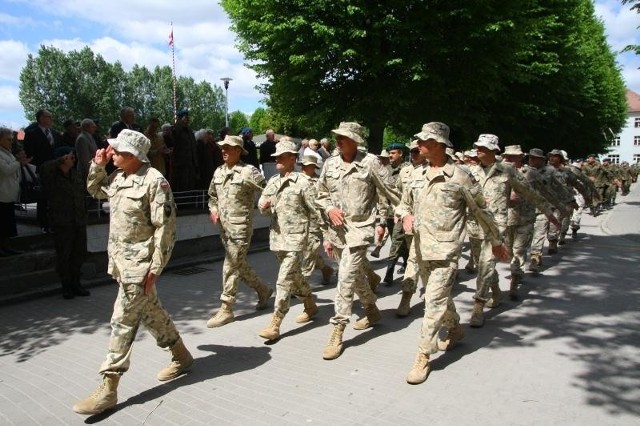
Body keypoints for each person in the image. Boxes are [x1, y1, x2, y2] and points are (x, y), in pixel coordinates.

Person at [74, 130, 193, 415]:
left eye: (115, 150)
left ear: (132, 155)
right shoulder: (119, 177)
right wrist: (98, 165)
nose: (110, 151)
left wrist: (155, 267)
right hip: (121, 262)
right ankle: (181, 355)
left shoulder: (155, 182)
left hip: (140, 267)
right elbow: (94, 189)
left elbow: (166, 229)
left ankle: (109, 385)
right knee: (151, 313)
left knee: (122, 320)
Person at [395, 122, 507, 385]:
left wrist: (497, 240)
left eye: (424, 141)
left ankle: (423, 356)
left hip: (446, 251)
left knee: (432, 301)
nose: (418, 145)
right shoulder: (416, 175)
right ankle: (455, 328)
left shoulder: (461, 177)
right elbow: (402, 206)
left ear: (438, 144)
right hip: (421, 249)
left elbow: (482, 211)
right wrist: (406, 215)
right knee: (440, 297)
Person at [315, 122, 400, 360]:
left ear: (354, 140)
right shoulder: (330, 163)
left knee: (345, 278)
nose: (338, 141)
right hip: (337, 230)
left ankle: (337, 328)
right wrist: (329, 207)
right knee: (355, 275)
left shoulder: (371, 162)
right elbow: (320, 194)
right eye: (337, 137)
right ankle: (372, 310)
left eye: (343, 138)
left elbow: (392, 193)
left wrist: (401, 215)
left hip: (360, 228)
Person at [466, 135, 558, 327]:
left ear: (494, 150)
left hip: (497, 227)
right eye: (477, 146)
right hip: (474, 226)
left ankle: (478, 306)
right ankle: (496, 291)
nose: (478, 149)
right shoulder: (471, 171)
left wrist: (548, 210)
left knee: (486, 264)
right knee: (484, 267)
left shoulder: (506, 171)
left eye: (483, 147)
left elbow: (527, 192)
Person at [206, 135, 272, 328]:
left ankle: (226, 308)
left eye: (228, 147)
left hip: (241, 228)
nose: (224, 151)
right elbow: (212, 196)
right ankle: (262, 289)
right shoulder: (218, 172)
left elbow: (268, 190)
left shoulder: (248, 172)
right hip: (224, 229)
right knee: (239, 265)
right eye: (222, 147)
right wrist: (214, 209)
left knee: (231, 265)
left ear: (238, 151)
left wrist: (266, 205)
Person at [257, 141, 320, 341]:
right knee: (295, 277)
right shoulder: (273, 181)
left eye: (281, 157)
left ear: (293, 159)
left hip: (296, 239)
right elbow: (261, 205)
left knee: (283, 280)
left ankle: (275, 323)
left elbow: (316, 211)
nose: (277, 159)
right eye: (276, 157)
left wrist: (319, 237)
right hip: (277, 238)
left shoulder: (303, 182)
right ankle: (310, 304)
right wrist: (264, 205)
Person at [40, 147, 90, 299]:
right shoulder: (53, 176)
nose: (73, 159)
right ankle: (66, 286)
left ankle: (76, 283)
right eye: (69, 157)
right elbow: (42, 168)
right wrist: (59, 160)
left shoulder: (75, 175)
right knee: (64, 255)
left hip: (78, 220)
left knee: (79, 253)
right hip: (62, 222)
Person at [23, 109, 61, 233]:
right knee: (43, 198)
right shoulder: (32, 133)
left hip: (56, 170)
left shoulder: (55, 133)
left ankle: (55, 222)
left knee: (55, 198)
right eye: (48, 116)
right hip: (41, 170)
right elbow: (30, 154)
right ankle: (44, 224)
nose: (51, 119)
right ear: (41, 118)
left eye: (51, 116)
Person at [299, 155, 334, 286]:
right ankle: (326, 269)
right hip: (299, 222)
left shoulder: (319, 182)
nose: (303, 167)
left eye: (306, 165)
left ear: (314, 167)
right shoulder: (296, 179)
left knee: (309, 252)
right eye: (302, 164)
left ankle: (300, 285)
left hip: (315, 223)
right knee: (305, 251)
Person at [379, 142, 410, 283]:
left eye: (393, 153)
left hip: (402, 213)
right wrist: (383, 219)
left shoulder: (407, 170)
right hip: (390, 213)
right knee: (399, 242)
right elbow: (382, 196)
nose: (390, 156)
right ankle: (407, 263)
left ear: (401, 154)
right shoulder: (385, 170)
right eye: (389, 153)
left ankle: (389, 274)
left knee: (396, 241)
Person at [0, 127, 30, 256]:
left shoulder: (8, 152)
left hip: (9, 193)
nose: (11, 142)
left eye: (12, 139)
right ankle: (3, 248)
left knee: (7, 223)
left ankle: (7, 247)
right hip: (2, 193)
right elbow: (6, 170)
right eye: (8, 139)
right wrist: (19, 162)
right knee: (2, 223)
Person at [171, 109, 199, 191]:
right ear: (180, 118)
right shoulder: (176, 128)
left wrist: (195, 163)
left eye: (187, 117)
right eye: (185, 117)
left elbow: (193, 147)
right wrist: (180, 123)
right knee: (182, 186)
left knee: (190, 186)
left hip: (191, 163)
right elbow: (174, 140)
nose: (187, 119)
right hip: (181, 164)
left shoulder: (189, 131)